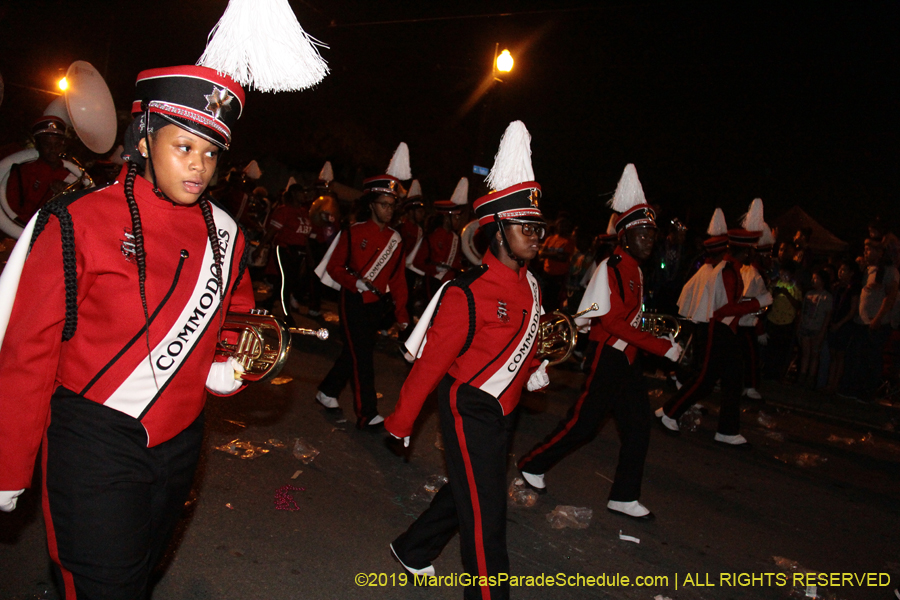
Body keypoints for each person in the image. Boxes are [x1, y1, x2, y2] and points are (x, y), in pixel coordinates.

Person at [0, 65, 255, 598]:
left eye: (211, 153)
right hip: (93, 440)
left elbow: (234, 316)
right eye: (184, 146)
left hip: (181, 441)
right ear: (143, 137)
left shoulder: (227, 233)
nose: (199, 165)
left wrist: (233, 359)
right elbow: (29, 351)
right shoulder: (78, 220)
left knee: (137, 577)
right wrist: (9, 463)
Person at [385, 121, 548, 600]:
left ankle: (414, 549)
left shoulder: (534, 285)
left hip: (504, 410)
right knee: (487, 513)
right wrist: (401, 420)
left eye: (539, 227)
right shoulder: (465, 292)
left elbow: (528, 338)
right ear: (496, 230)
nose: (536, 235)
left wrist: (536, 366)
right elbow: (430, 365)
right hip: (468, 405)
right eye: (526, 227)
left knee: (470, 492)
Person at [517, 164, 682, 521]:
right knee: (584, 424)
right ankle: (532, 463)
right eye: (643, 233)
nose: (650, 239)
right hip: (608, 357)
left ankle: (624, 496)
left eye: (652, 233)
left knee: (638, 428)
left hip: (629, 361)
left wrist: (656, 336)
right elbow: (609, 320)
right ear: (625, 236)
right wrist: (661, 348)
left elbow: (630, 318)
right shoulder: (611, 266)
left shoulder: (635, 270)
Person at [314, 144, 411, 429]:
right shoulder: (353, 232)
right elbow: (334, 267)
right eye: (384, 204)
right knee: (364, 358)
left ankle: (327, 391)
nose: (389, 210)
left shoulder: (397, 239)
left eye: (392, 205)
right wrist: (354, 281)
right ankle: (366, 414)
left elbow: (398, 280)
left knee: (354, 352)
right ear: (371, 205)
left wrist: (403, 316)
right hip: (354, 299)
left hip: (377, 305)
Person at [656, 207, 772, 446]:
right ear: (746, 250)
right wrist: (758, 303)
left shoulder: (732, 270)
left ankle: (727, 430)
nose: (753, 254)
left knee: (732, 381)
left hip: (726, 331)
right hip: (717, 330)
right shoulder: (727, 272)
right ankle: (669, 412)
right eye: (751, 249)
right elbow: (724, 309)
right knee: (705, 379)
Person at [839, 238, 898, 401]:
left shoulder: (888, 270)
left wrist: (879, 318)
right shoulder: (866, 270)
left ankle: (867, 392)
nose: (866, 252)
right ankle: (852, 389)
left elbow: (890, 296)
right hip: (861, 321)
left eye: (870, 249)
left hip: (876, 322)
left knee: (871, 358)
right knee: (856, 355)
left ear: (880, 252)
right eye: (865, 249)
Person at [254, 182, 313, 327]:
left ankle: (268, 302)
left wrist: (309, 255)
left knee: (288, 281)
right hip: (284, 249)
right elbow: (272, 232)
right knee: (286, 281)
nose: (304, 195)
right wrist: (260, 248)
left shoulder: (304, 212)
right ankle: (287, 314)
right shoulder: (284, 211)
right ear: (293, 194)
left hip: (299, 252)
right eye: (301, 192)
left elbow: (304, 237)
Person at [5, 116, 78, 223]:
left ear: (62, 146)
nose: (53, 149)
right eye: (46, 144)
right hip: (23, 231)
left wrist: (67, 195)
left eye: (57, 144)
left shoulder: (73, 176)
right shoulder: (22, 172)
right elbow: (11, 210)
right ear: (37, 145)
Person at [412, 177, 468, 301]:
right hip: (433, 282)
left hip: (450, 285)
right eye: (455, 218)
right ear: (446, 218)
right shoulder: (431, 236)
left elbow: (456, 263)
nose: (458, 221)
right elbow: (418, 262)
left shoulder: (456, 239)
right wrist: (434, 269)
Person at [824, 260, 861, 394]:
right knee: (833, 354)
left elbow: (852, 310)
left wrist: (840, 324)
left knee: (840, 355)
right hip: (834, 322)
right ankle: (829, 383)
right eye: (840, 269)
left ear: (851, 273)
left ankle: (835, 384)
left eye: (844, 270)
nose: (841, 273)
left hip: (844, 324)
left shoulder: (853, 289)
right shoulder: (837, 288)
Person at [797, 269, 833, 388]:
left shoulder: (826, 297)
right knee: (806, 353)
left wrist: (822, 331)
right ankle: (802, 376)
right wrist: (800, 324)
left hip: (817, 328)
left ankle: (811, 378)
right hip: (806, 326)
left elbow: (827, 316)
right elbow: (803, 311)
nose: (813, 281)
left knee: (814, 355)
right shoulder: (808, 294)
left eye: (816, 278)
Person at [397, 179, 427, 320]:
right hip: (397, 269)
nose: (422, 215)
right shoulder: (401, 226)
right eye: (419, 211)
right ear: (410, 212)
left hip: (409, 271)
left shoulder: (420, 230)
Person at [538, 215, 576, 312]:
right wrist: (556, 254)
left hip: (559, 276)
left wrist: (549, 254)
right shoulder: (550, 239)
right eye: (560, 225)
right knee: (544, 299)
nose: (562, 227)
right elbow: (541, 254)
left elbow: (564, 258)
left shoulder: (569, 241)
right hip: (546, 273)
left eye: (564, 225)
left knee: (555, 301)